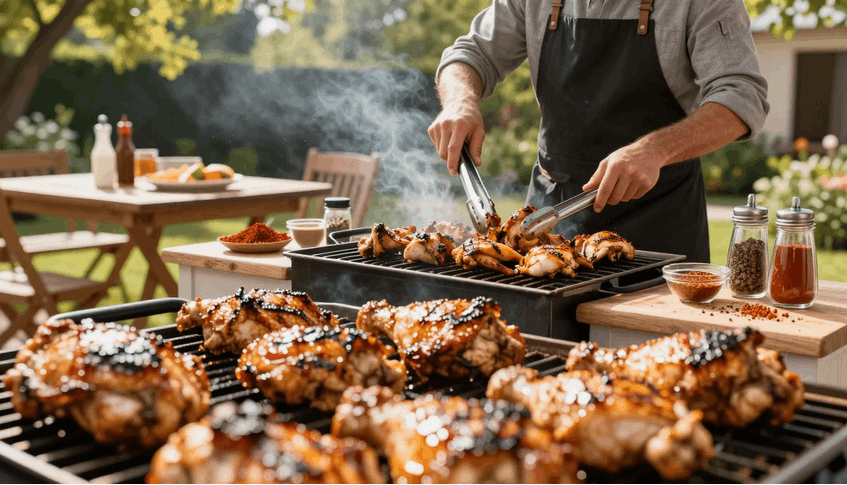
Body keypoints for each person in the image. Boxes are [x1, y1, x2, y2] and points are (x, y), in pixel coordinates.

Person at [428, 0, 768, 263]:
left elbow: (741, 95)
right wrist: (460, 99)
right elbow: (470, 54)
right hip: (547, 224)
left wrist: (654, 149)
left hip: (658, 224)